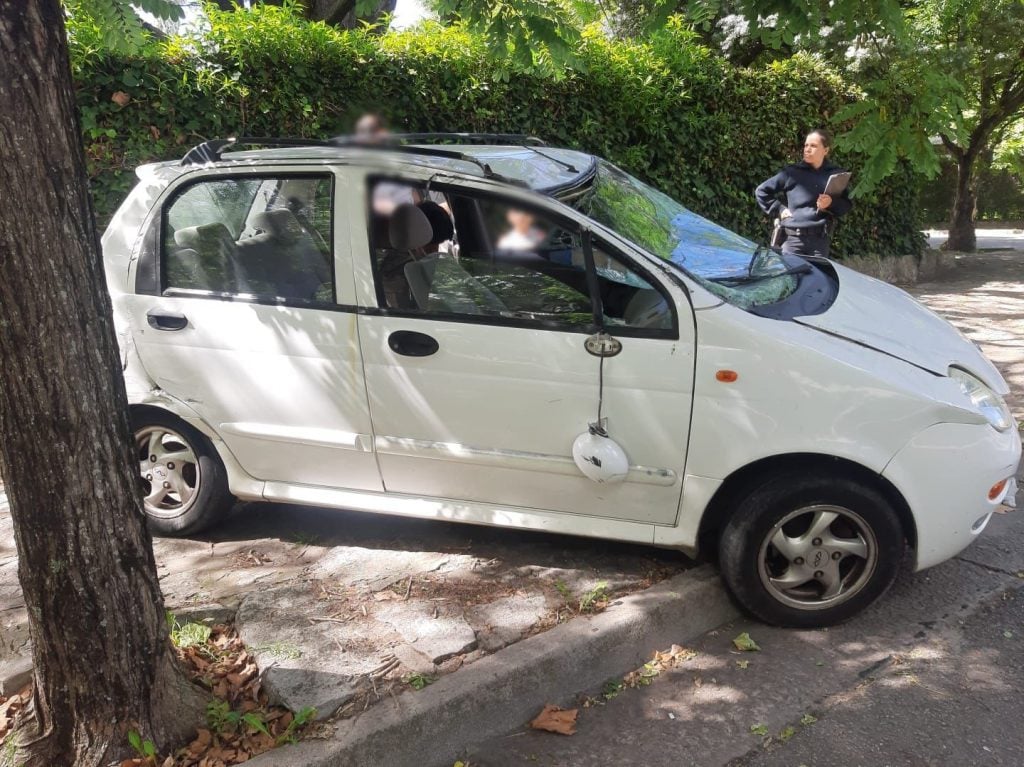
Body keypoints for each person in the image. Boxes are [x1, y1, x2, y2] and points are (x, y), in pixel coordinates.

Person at [755, 129, 852, 258]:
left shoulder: (835, 174)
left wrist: (831, 203)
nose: (807, 149)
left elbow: (846, 205)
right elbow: (761, 191)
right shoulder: (792, 173)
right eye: (806, 145)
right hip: (792, 240)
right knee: (790, 278)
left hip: (819, 242)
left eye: (813, 146)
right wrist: (779, 208)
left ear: (826, 150)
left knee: (817, 278)